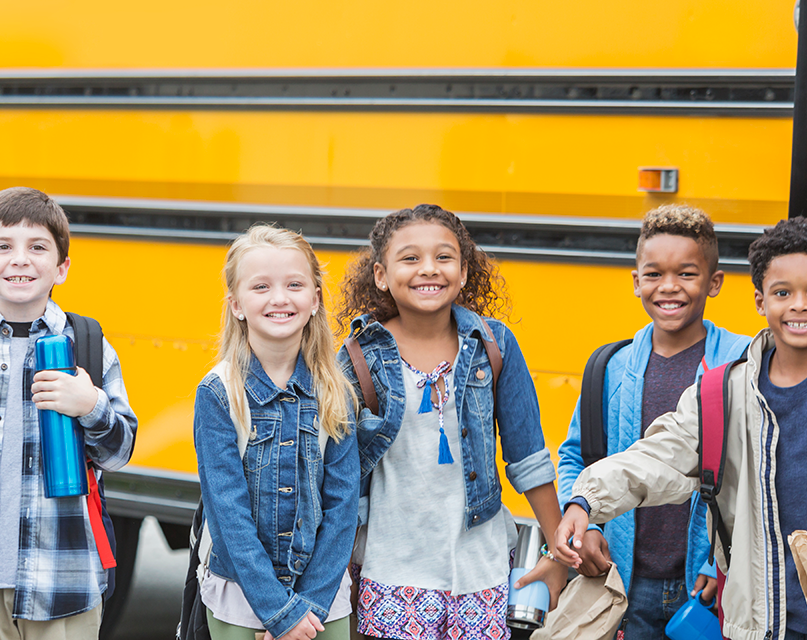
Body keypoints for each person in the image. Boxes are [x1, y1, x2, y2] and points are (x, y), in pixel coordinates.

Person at [555, 218, 807, 640]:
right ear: (760, 301)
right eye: (783, 293)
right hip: (752, 622)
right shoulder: (720, 391)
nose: (799, 305)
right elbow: (658, 457)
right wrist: (586, 500)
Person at [336, 204, 568, 640]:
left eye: (444, 257)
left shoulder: (494, 345)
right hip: (392, 571)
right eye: (410, 258)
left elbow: (528, 457)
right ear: (382, 276)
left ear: (464, 272)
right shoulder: (357, 358)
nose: (429, 269)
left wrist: (556, 555)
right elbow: (336, 476)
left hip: (481, 571)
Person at [0, 187, 137, 638]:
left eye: (38, 247)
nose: (20, 260)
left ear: (62, 268)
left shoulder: (88, 344)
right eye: (3, 247)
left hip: (63, 584)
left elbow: (120, 452)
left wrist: (91, 406)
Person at [554, 204, 749, 638]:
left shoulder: (741, 364)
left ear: (714, 282)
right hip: (627, 578)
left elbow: (754, 477)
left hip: (710, 584)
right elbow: (577, 456)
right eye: (654, 274)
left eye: (686, 273)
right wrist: (588, 522)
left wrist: (719, 560)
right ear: (636, 281)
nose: (669, 287)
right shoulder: (611, 368)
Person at [193, 225, 358, 640]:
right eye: (261, 286)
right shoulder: (219, 392)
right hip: (242, 602)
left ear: (315, 298)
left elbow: (342, 510)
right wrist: (279, 614)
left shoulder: (335, 391)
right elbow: (228, 516)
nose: (280, 298)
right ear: (236, 305)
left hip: (322, 604)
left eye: (295, 284)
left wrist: (307, 610)